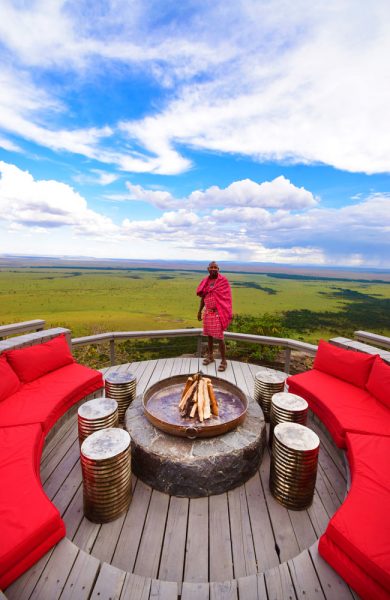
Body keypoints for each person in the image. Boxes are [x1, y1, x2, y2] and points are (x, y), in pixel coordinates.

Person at [196, 261, 233, 372]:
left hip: (217, 312)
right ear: (208, 269)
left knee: (220, 337)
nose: (213, 269)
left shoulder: (223, 281)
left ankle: (223, 361)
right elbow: (203, 297)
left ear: (218, 269)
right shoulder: (205, 282)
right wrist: (199, 311)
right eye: (211, 267)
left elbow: (226, 298)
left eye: (215, 267)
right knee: (209, 336)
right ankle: (210, 356)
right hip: (208, 312)